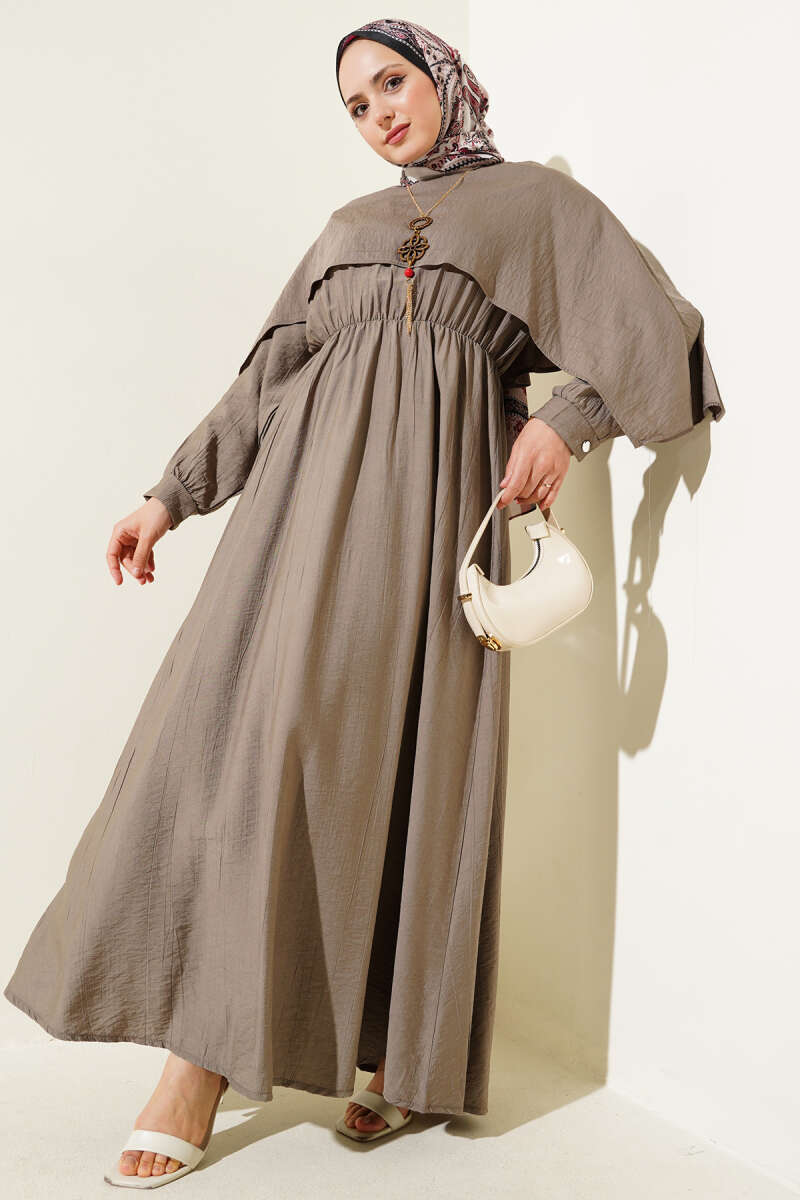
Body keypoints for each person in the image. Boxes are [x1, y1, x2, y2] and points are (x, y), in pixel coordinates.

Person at [3, 17, 724, 1188]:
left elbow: (657, 326)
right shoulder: (345, 229)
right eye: (354, 103)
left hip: (425, 522)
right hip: (291, 523)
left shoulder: (535, 206)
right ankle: (199, 1060)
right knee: (247, 749)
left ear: (443, 79)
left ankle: (389, 1055)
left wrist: (561, 422)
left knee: (397, 766)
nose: (378, 112)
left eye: (391, 81)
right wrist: (169, 496)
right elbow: (266, 380)